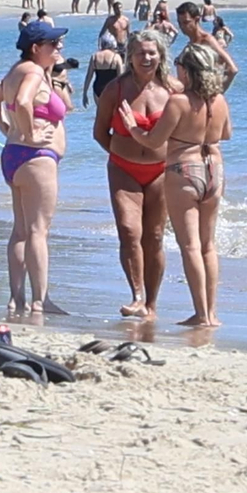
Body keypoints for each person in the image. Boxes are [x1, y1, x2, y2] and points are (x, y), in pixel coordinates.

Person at [116, 42, 232, 327]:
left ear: (188, 69)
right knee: (208, 245)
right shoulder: (219, 100)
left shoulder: (179, 101)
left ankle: (201, 314)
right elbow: (226, 133)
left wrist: (132, 127)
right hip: (215, 168)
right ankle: (212, 313)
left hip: (185, 168)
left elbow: (154, 140)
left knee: (190, 245)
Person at [0, 20, 70, 316]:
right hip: (36, 158)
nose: (58, 47)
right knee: (37, 231)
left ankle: (16, 298)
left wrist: (7, 129)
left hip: (14, 156)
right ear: (36, 48)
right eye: (53, 44)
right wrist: (30, 133)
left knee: (21, 230)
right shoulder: (33, 71)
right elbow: (22, 101)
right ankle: (40, 300)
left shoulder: (15, 72)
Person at [94, 30, 173, 317]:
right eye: (140, 52)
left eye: (152, 52)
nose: (147, 57)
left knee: (154, 236)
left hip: (162, 172)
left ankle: (151, 303)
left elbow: (187, 130)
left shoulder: (172, 89)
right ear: (130, 56)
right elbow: (100, 132)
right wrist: (122, 153)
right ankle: (136, 296)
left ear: (161, 55)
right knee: (129, 231)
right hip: (123, 169)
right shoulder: (115, 89)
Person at [176, 1, 237, 89]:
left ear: (196, 20)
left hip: (202, 97)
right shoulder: (191, 43)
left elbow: (232, 69)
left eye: (186, 22)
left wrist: (215, 94)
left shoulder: (207, 41)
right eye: (179, 23)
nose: (182, 27)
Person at [83, 34, 123, 106]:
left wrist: (85, 93)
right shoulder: (116, 57)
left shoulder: (94, 57)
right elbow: (121, 77)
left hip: (98, 88)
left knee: (100, 113)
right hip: (112, 88)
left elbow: (89, 76)